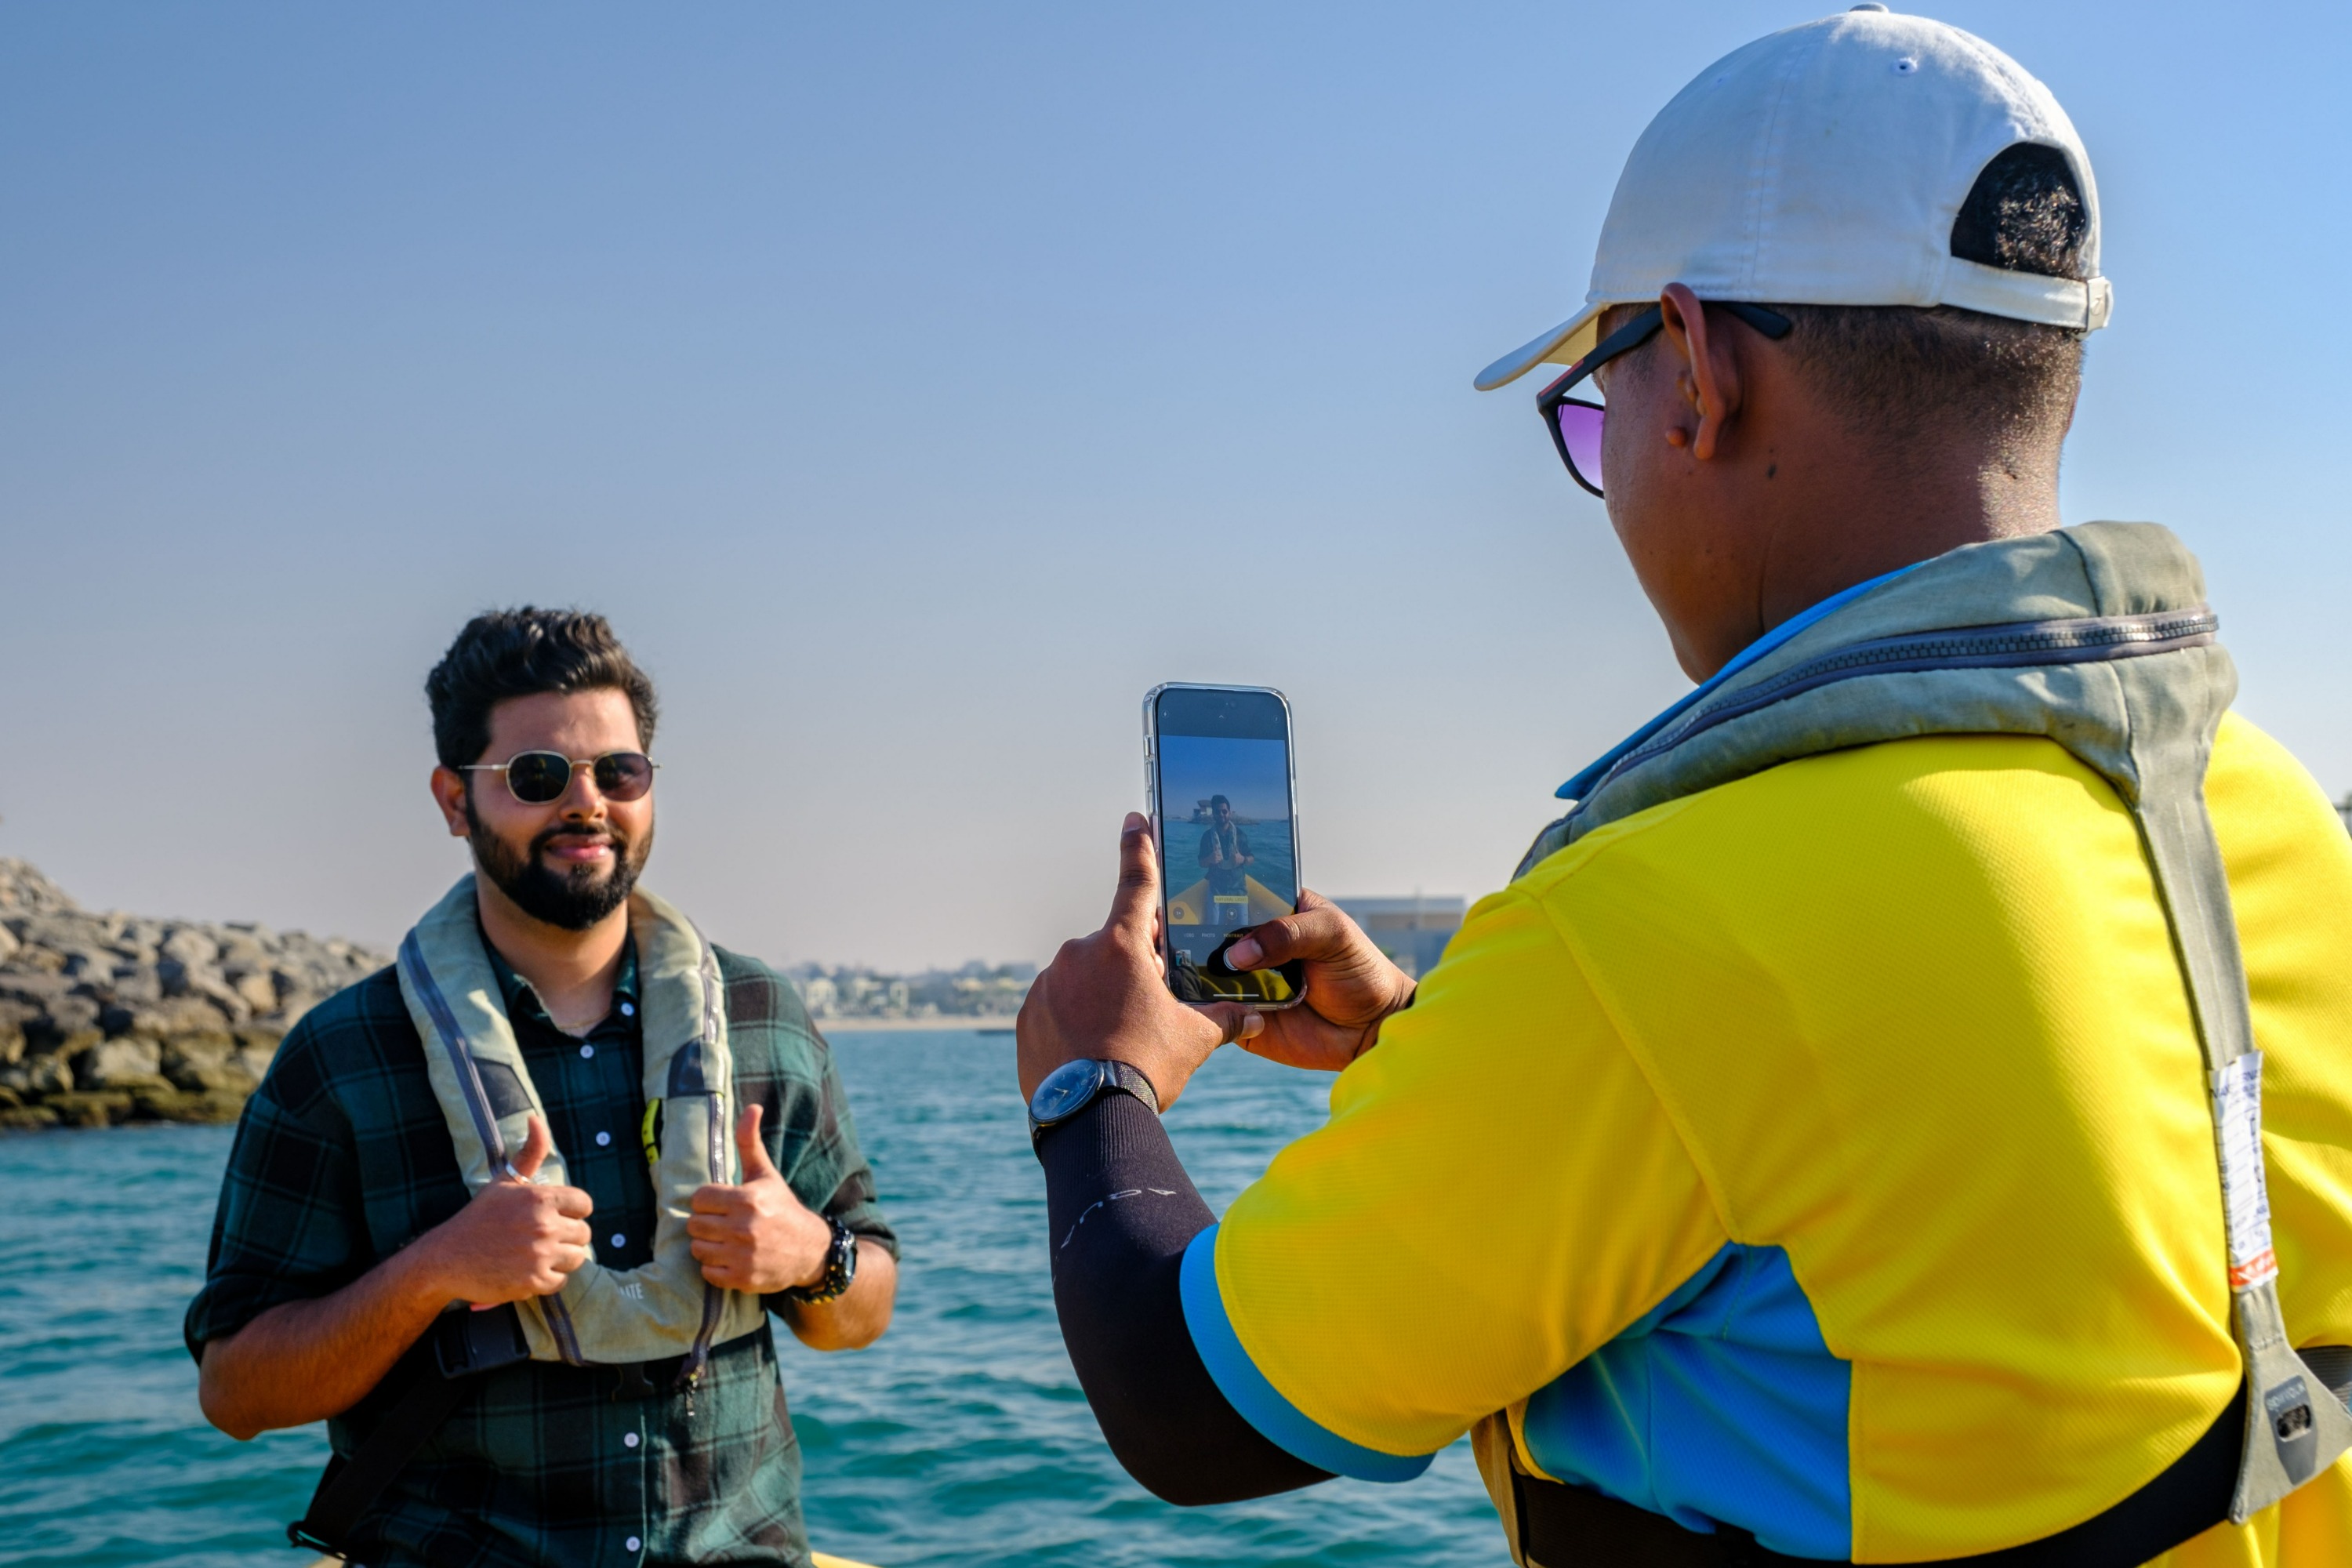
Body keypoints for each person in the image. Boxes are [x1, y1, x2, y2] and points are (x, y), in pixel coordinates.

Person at [1015, 11, 2352, 1566]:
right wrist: (1453, 1048)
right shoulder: (2273, 824)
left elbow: (1191, 1404)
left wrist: (1091, 1084)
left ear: (1700, 375)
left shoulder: (1656, 929)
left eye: (1597, 409)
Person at [189, 608, 898, 1567]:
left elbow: (867, 1304)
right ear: (453, 799)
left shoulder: (762, 1015)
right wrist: (435, 1268)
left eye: (621, 771)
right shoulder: (344, 1056)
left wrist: (812, 1253)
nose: (588, 802)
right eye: (536, 776)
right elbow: (238, 1390)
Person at [1196, 796, 1254, 927]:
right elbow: (1201, 863)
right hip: (1216, 890)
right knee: (1214, 929)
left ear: (1229, 812)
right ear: (1214, 814)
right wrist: (1210, 859)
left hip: (1238, 889)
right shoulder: (1206, 837)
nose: (1221, 814)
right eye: (1218, 812)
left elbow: (1251, 858)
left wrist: (1243, 859)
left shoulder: (1240, 835)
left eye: (1224, 811)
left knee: (1242, 930)